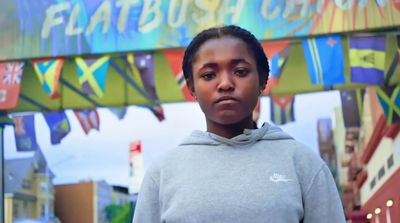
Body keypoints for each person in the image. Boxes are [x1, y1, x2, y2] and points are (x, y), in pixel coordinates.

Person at [132, 25, 346, 223]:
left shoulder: (303, 164)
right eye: (208, 75)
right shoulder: (162, 173)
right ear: (192, 88)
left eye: (241, 71)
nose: (225, 83)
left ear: (263, 80)